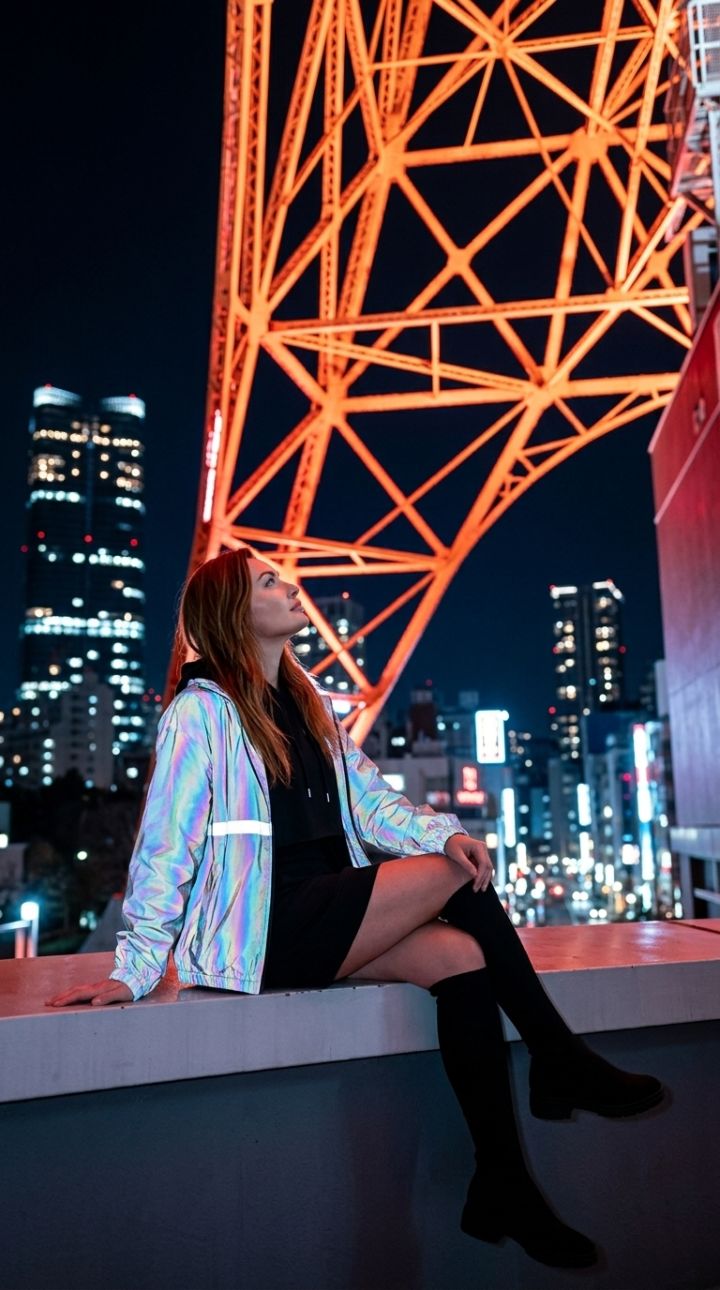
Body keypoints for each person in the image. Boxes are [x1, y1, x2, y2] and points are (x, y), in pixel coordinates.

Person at [48, 548, 665, 1268]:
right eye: (269, 583)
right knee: (448, 878)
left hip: (323, 908)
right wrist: (136, 964)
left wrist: (449, 830)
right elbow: (165, 843)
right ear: (233, 613)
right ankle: (559, 1060)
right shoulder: (200, 711)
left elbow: (372, 801)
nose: (289, 587)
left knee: (461, 957)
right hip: (263, 930)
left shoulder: (306, 699)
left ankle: (503, 1180)